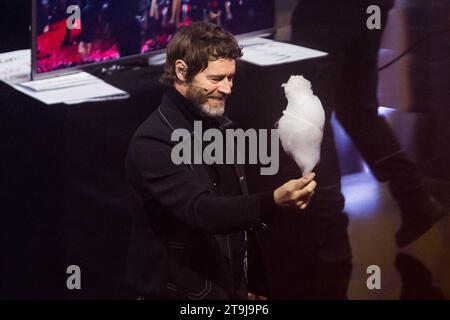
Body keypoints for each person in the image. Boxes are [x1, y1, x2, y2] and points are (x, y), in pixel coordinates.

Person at [124, 22, 317, 300]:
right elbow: (201, 211)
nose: (226, 88)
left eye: (231, 78)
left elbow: (236, 217)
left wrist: (249, 284)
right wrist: (272, 202)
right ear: (181, 71)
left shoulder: (218, 125)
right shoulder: (153, 142)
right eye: (216, 79)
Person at [291, 0, 446, 251]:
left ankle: (328, 228)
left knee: (314, 115)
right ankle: (415, 196)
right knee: (358, 110)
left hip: (324, 12)